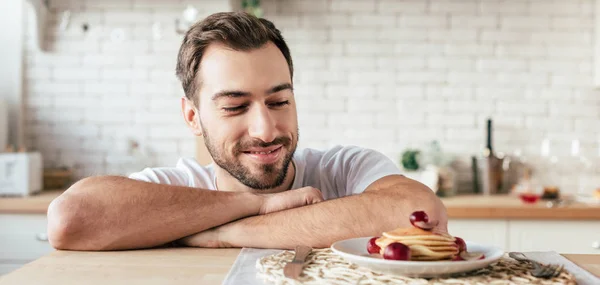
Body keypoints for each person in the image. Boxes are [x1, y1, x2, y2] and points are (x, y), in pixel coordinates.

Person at [47, 12, 447, 251]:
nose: (266, 129)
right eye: (235, 107)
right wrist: (258, 205)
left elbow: (419, 213)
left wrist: (228, 233)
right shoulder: (173, 188)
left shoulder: (345, 169)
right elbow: (69, 219)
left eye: (279, 102)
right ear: (192, 117)